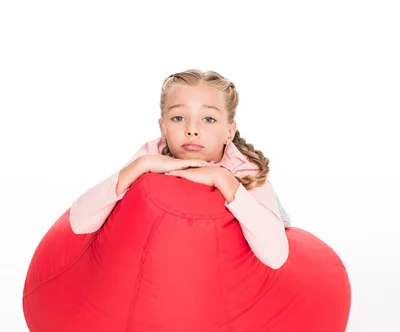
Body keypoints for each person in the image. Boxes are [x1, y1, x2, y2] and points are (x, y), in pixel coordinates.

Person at [69, 69, 292, 269]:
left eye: (208, 119)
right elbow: (79, 223)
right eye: (178, 118)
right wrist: (141, 165)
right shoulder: (152, 153)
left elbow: (276, 256)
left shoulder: (243, 168)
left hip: (262, 218)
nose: (192, 129)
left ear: (229, 131)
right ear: (162, 128)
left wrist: (223, 178)